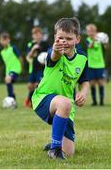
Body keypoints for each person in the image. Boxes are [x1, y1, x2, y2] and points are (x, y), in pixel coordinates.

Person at [32, 17, 89, 159]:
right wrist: (56, 50)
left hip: (67, 106)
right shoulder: (54, 52)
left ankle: (54, 143)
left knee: (69, 152)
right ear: (55, 38)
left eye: (69, 39)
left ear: (77, 39)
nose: (64, 42)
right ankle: (55, 150)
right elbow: (54, 55)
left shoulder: (82, 58)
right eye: (60, 38)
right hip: (43, 98)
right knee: (64, 102)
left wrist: (83, 93)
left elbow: (85, 81)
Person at [24, 27, 49, 107]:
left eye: (38, 34)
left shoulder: (45, 44)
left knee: (37, 85)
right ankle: (29, 99)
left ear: (41, 35)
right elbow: (28, 56)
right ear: (33, 36)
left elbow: (49, 55)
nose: (37, 36)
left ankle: (35, 102)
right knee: (30, 86)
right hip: (33, 69)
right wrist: (33, 49)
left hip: (42, 69)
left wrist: (45, 61)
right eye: (35, 34)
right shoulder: (31, 44)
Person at [86, 24, 107, 106]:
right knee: (92, 83)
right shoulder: (88, 40)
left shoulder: (99, 40)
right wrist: (94, 40)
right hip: (91, 65)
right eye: (89, 31)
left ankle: (101, 101)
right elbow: (90, 46)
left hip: (100, 65)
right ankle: (94, 101)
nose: (91, 33)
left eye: (92, 31)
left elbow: (106, 47)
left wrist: (105, 41)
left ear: (95, 32)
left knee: (101, 83)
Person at [0, 32, 23, 105]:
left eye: (5, 40)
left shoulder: (13, 48)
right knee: (8, 82)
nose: (4, 42)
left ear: (8, 40)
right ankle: (12, 100)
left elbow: (20, 58)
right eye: (2, 40)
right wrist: (7, 73)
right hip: (9, 71)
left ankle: (11, 99)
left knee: (8, 79)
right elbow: (7, 63)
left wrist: (21, 67)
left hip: (16, 69)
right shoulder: (2, 52)